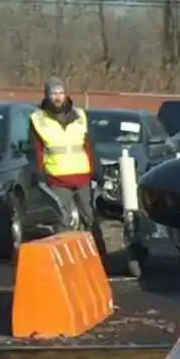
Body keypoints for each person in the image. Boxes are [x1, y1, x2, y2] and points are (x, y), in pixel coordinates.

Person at [27, 75, 107, 262]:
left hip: (82, 176)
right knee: (62, 220)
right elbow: (36, 149)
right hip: (57, 177)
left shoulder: (80, 116)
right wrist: (39, 174)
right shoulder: (37, 119)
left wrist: (97, 168)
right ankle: (64, 260)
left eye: (61, 92)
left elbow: (89, 145)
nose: (58, 96)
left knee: (90, 218)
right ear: (47, 95)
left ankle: (98, 258)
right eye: (54, 93)